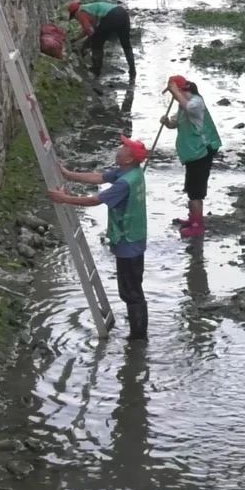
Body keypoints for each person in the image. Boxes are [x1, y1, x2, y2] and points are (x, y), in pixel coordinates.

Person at [48, 136, 149, 340]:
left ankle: (138, 337)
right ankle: (137, 330)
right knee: (131, 287)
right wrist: (68, 175)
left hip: (128, 239)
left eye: (123, 148)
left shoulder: (125, 183)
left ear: (129, 159)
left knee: (131, 291)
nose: (118, 149)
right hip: (134, 237)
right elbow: (100, 177)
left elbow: (95, 200)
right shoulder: (131, 172)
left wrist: (64, 199)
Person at [159, 75, 222, 238]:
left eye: (173, 92)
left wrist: (175, 92)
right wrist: (167, 122)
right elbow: (175, 123)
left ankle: (197, 225)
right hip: (191, 153)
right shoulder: (182, 105)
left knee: (196, 191)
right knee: (190, 187)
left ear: (180, 90)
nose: (172, 96)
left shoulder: (196, 102)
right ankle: (193, 218)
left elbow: (189, 107)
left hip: (201, 152)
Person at [66, 0, 136, 80]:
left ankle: (96, 70)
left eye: (74, 17)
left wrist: (84, 46)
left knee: (97, 42)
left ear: (74, 13)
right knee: (126, 43)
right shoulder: (90, 8)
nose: (76, 19)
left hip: (111, 16)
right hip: (122, 12)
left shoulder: (80, 13)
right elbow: (89, 30)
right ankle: (132, 70)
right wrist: (76, 39)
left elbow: (90, 32)